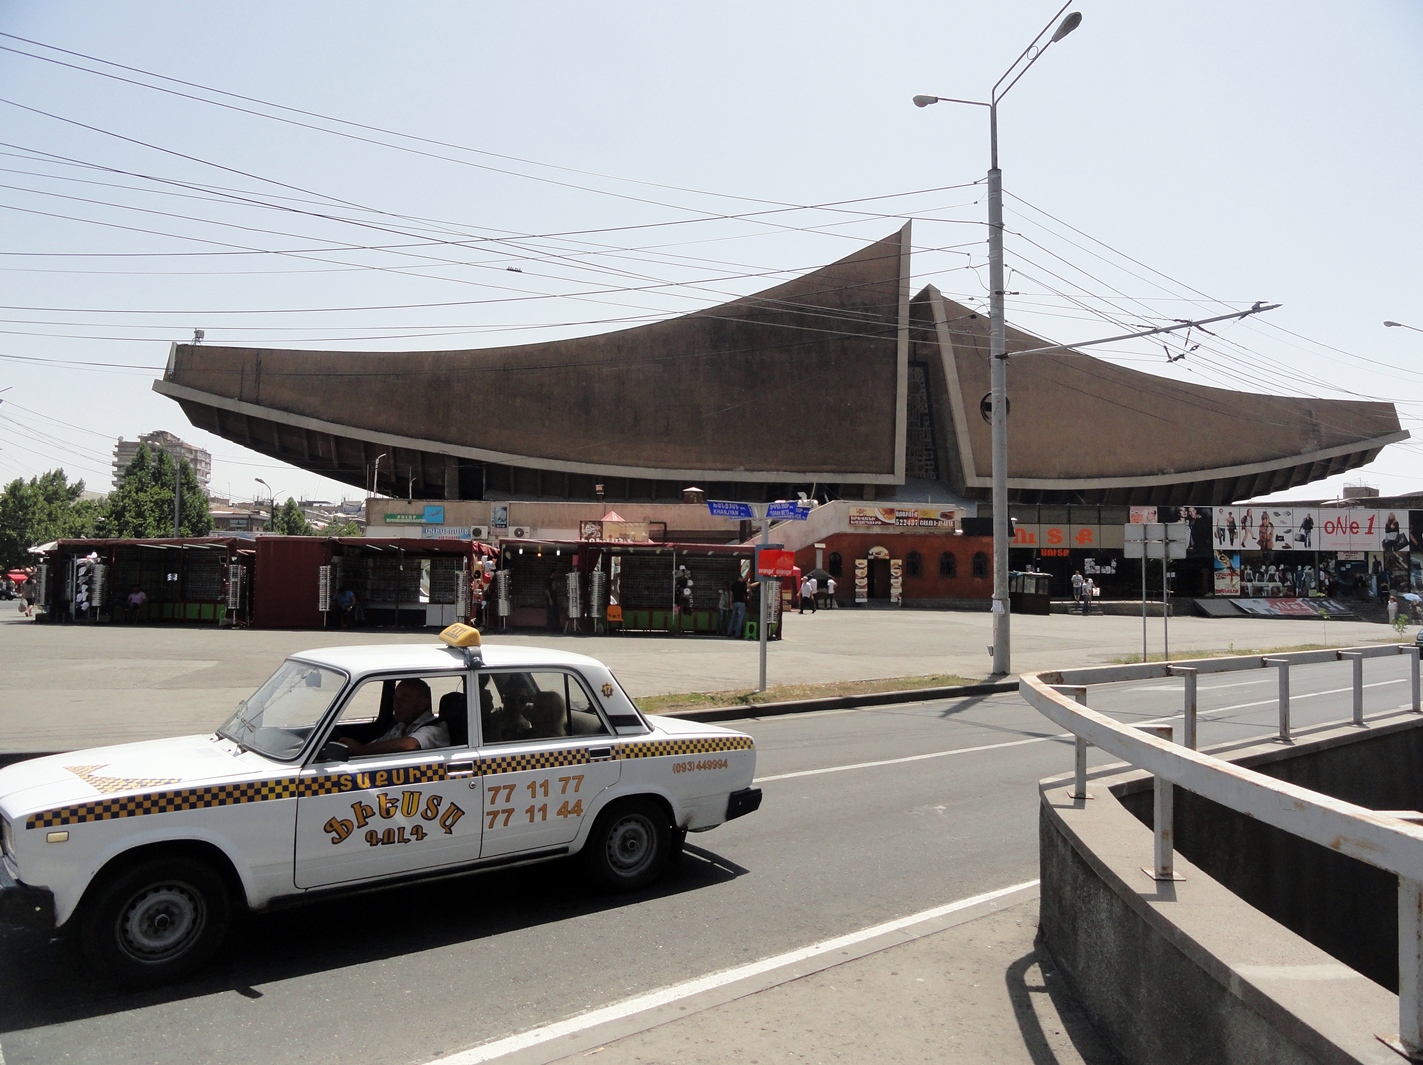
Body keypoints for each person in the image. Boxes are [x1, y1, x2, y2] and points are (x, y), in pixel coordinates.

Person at [334, 679, 447, 756]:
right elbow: (380, 744)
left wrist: (361, 750)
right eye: (395, 697)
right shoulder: (401, 725)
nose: (396, 703)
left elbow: (410, 744)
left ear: (423, 703)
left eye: (404, 698)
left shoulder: (436, 728)